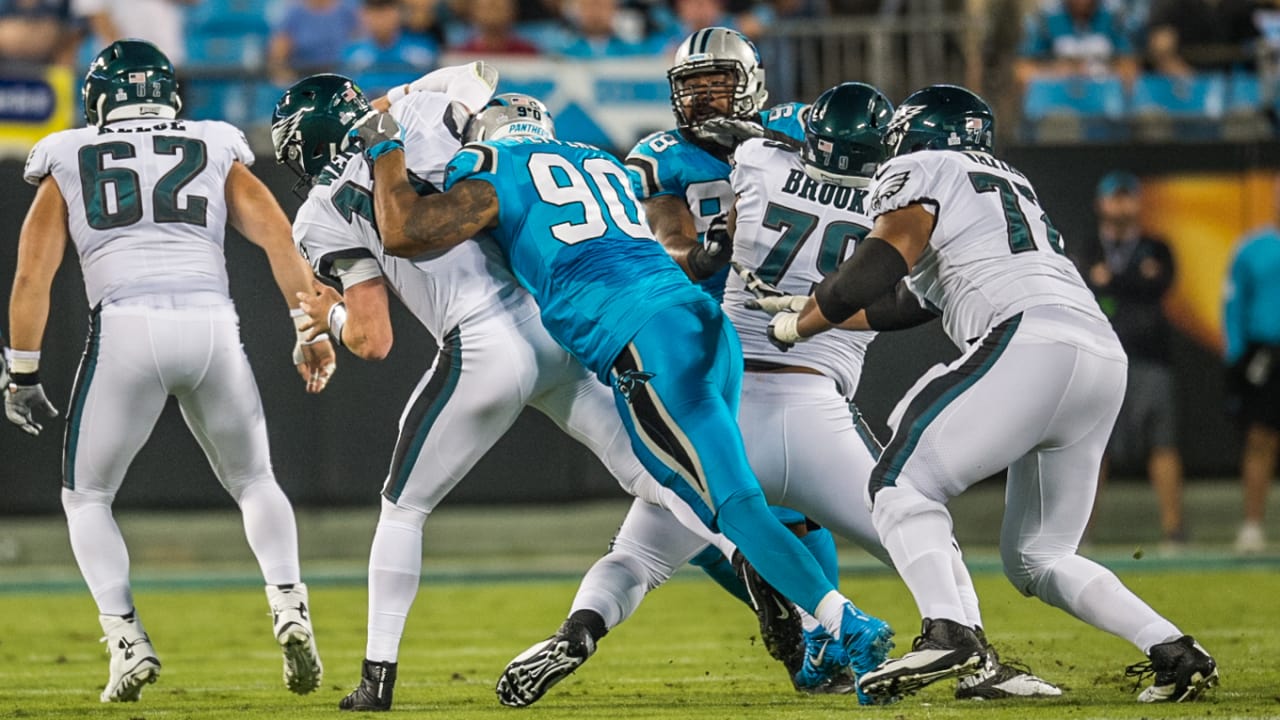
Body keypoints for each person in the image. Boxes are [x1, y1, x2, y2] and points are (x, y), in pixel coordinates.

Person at [498, 81, 1061, 705]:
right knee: (917, 528)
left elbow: (725, 181)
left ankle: (581, 628)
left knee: (640, 552)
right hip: (816, 408)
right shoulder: (898, 194)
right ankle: (973, 655)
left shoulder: (761, 165)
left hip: (724, 402)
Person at [359, 92, 896, 700]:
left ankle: (838, 621)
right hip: (707, 326)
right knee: (697, 502)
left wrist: (385, 149)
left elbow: (406, 232)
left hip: (640, 340)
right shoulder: (602, 162)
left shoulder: (492, 164)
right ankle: (810, 627)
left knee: (731, 503)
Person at [271, 68, 734, 712]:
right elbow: (480, 76)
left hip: (481, 346)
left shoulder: (319, 214)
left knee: (404, 510)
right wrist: (397, 100)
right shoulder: (430, 111)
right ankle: (790, 594)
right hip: (558, 319)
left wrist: (331, 318)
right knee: (669, 478)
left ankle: (376, 679)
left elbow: (372, 339)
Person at [750, 84, 1218, 704]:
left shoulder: (922, 166)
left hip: (1028, 341)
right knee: (1038, 556)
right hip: (1099, 356)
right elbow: (906, 304)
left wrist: (803, 323)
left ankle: (950, 631)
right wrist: (815, 306)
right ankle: (1176, 650)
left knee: (898, 483)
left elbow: (883, 259)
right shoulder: (1005, 181)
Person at [4, 40, 331, 703]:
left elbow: (33, 275)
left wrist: (23, 373)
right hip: (213, 325)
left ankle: (126, 639)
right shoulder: (213, 141)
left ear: (101, 98)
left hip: (127, 326)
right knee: (254, 479)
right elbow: (277, 236)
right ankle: (290, 603)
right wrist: (311, 328)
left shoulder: (66, 152)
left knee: (86, 497)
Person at [624, 27, 846, 676]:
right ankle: (799, 608)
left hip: (793, 323)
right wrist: (697, 255)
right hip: (703, 333)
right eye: (690, 88)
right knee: (685, 494)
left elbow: (864, 159)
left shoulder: (798, 126)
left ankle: (810, 621)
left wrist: (758, 144)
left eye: (717, 83)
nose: (703, 100)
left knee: (789, 496)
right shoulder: (661, 155)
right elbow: (668, 231)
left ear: (751, 82)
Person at [1075, 170, 1186, 549]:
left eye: (1127, 197)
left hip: (1149, 358)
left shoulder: (1157, 247)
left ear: (1137, 202)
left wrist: (1113, 281)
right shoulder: (1089, 248)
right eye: (1114, 197)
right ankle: (1080, 533)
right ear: (1100, 203)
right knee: (1093, 448)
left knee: (1162, 442)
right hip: (1100, 359)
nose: (1121, 205)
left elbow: (1158, 284)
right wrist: (1132, 280)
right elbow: (1088, 285)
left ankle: (1174, 530)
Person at [1224, 215, 1280, 554]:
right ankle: (1252, 526)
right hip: (1267, 355)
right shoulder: (1254, 247)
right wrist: (1236, 357)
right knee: (1260, 439)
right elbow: (1233, 304)